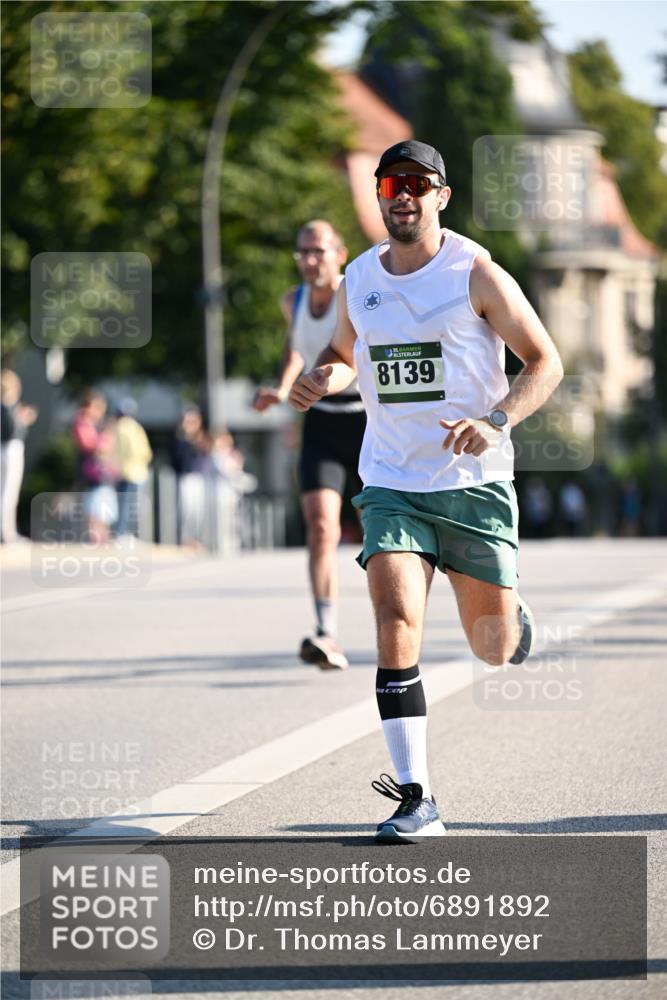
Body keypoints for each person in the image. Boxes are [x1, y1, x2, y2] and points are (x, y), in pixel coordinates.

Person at [289, 140, 564, 841]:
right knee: (393, 619)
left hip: (471, 483)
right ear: (379, 197)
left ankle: (512, 619)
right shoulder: (359, 278)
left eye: (415, 183)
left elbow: (544, 362)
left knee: (492, 647)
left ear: (441, 195)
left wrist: (495, 419)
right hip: (390, 482)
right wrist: (326, 378)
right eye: (389, 184)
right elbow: (346, 354)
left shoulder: (474, 273)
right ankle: (417, 797)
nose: (400, 194)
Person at [254, 220, 366, 670]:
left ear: (339, 254)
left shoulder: (354, 294)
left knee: (378, 530)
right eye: (302, 252)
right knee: (321, 528)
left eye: (318, 251)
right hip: (319, 423)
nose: (308, 260)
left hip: (365, 423)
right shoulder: (292, 300)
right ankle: (327, 632)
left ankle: (397, 620)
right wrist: (281, 388)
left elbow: (358, 351)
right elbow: (294, 347)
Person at [72, 390, 119, 543]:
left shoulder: (95, 424)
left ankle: (103, 535)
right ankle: (96, 536)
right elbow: (89, 445)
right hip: (91, 472)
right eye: (97, 408)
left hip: (101, 473)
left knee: (104, 504)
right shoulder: (82, 422)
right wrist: (103, 442)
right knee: (94, 504)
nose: (99, 412)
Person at [0, 369, 38, 543]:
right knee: (9, 493)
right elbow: (10, 431)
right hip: (10, 449)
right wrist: (22, 420)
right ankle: (7, 533)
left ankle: (7, 531)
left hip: (6, 449)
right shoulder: (8, 405)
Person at [111, 397, 153, 539]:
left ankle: (121, 533)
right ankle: (123, 533)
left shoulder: (119, 427)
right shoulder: (134, 427)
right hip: (134, 472)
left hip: (124, 472)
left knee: (124, 504)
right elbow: (144, 452)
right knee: (129, 505)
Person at [170, 406, 207, 548]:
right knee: (185, 511)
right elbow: (178, 461)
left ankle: (194, 539)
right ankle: (184, 539)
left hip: (198, 478)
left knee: (197, 511)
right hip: (184, 478)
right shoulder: (179, 440)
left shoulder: (200, 439)